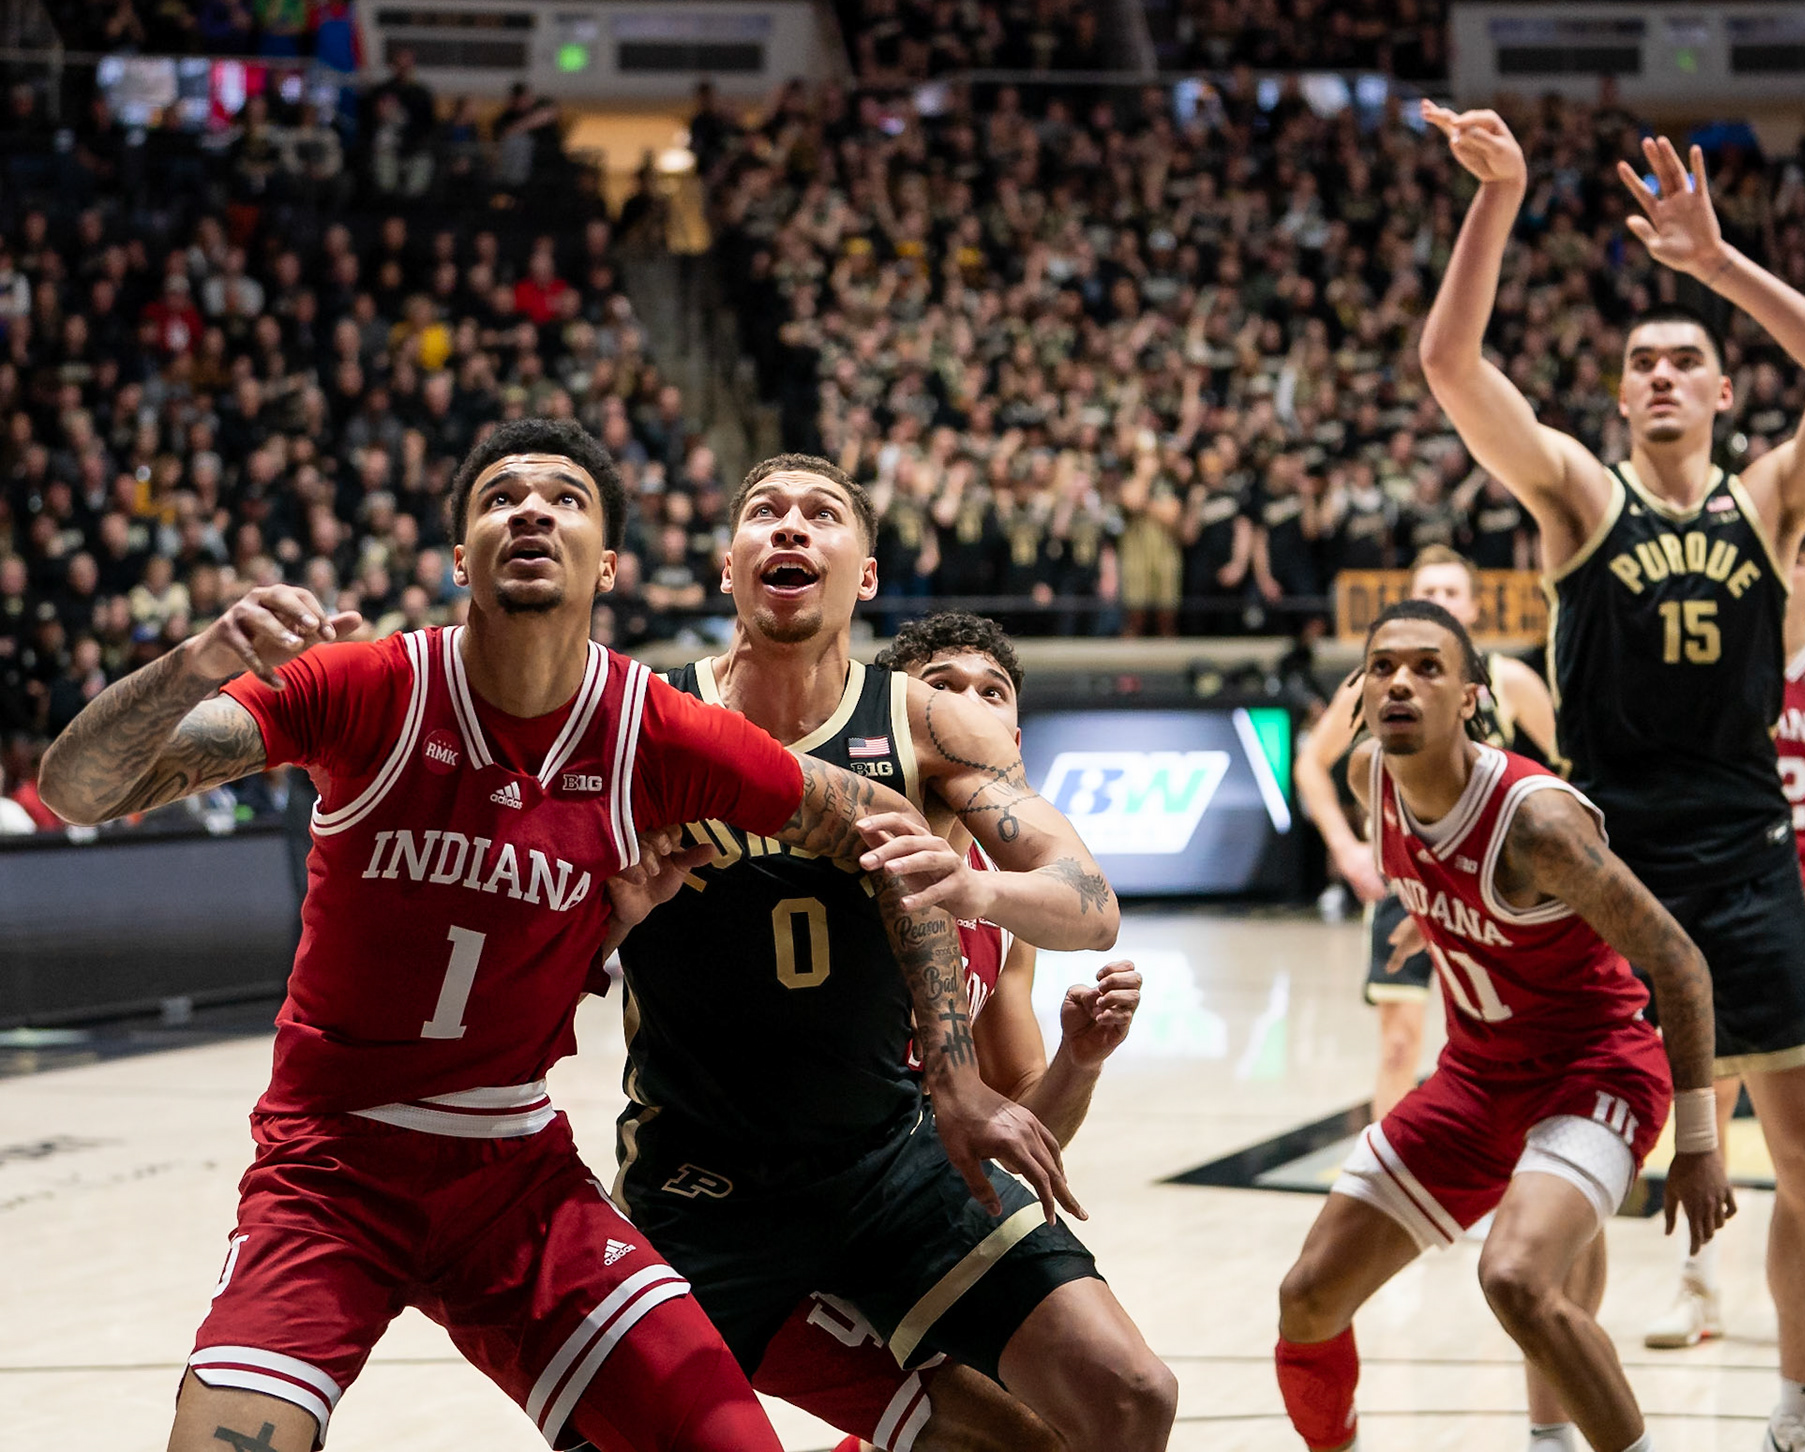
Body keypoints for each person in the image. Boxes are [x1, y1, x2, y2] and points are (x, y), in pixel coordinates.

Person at [37, 421, 1056, 1452]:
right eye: (498, 498)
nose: (529, 508)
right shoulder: (369, 685)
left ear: (608, 561)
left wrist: (959, 1075)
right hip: (330, 1168)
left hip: (513, 1176)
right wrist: (196, 663)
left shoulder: (649, 728)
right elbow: (76, 789)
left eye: (564, 497)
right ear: (459, 556)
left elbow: (887, 833)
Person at [1419, 104, 1805, 1451]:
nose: (1669, 374)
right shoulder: (1579, 496)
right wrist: (1498, 197)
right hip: (1609, 867)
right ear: (1621, 396)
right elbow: (1451, 361)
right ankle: (1556, 1429)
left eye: (1690, 361)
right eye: (1646, 363)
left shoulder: (1770, 502)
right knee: (1575, 1176)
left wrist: (1720, 267)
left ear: (1725, 394)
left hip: (1748, 859)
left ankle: (1798, 1414)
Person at [608, 454, 1177, 1452]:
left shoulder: (925, 725)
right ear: (727, 562)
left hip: (889, 1164)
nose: (791, 528)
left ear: (865, 572)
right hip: (703, 1188)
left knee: (1131, 1392)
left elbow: (1089, 903)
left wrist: (976, 887)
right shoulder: (644, 720)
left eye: (823, 514)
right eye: (765, 513)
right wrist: (607, 914)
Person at [1275, 600, 1734, 1452]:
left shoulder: (1538, 825)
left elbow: (1679, 963)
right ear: (1358, 693)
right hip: (1479, 1078)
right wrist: (1431, 916)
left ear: (1472, 698)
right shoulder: (1369, 778)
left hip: (1596, 1073)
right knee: (1307, 1296)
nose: (1401, 682)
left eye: (1428, 667)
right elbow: (1437, 874)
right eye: (1382, 667)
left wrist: (1699, 1143)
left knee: (1517, 1277)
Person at [746, 610, 1144, 1452]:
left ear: (1013, 737)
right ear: (901, 719)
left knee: (1120, 1398)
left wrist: (1081, 1059)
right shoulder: (821, 851)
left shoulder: (1002, 917)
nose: (970, 706)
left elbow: (1016, 1141)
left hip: (912, 1201)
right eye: (943, 689)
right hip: (781, 1200)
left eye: (990, 692)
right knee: (1010, 1437)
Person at [1646, 527, 1805, 1351]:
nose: (1775, 570)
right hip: (1722, 918)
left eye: (1790, 554)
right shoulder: (1715, 662)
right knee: (1701, 1122)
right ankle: (1698, 1287)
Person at [1294, 544, 1556, 1119]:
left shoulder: (1509, 681)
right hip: (1406, 881)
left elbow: (1570, 769)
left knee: (1508, 1043)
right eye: (1428, 593)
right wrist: (1347, 848)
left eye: (1451, 593)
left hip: (1492, 889)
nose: (1440, 603)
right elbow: (1312, 763)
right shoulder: (1376, 683)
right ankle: (1390, 1185)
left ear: (1474, 607)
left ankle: (1513, 1177)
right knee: (1397, 1045)